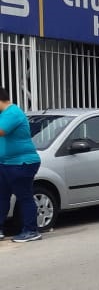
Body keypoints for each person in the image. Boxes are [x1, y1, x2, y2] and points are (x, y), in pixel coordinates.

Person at [0, 88, 43, 242]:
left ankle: (31, 231)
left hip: (21, 163)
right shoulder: (3, 114)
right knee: (2, 197)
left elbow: (1, 131)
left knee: (24, 196)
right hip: (6, 163)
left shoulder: (12, 113)